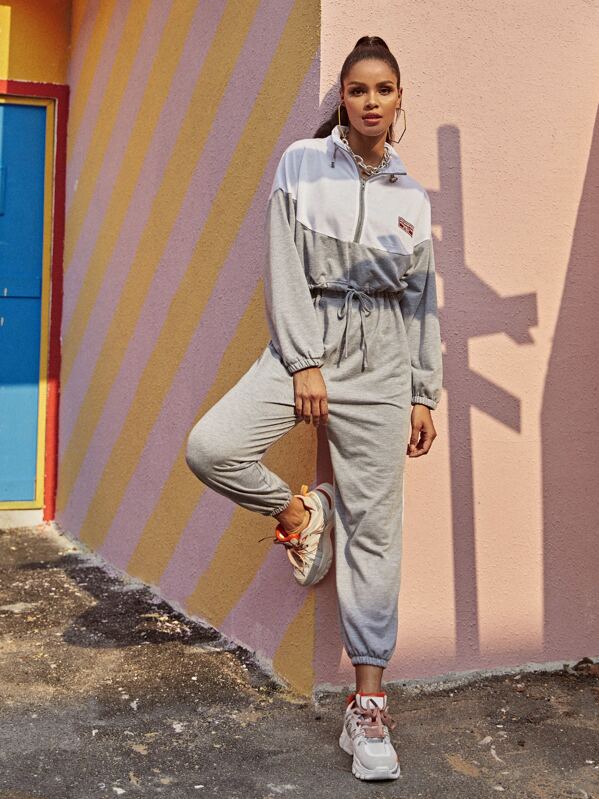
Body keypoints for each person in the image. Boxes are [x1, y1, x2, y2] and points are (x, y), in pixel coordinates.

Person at [185, 34, 443, 782]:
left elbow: (423, 302)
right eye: (358, 89)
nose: (370, 101)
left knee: (375, 532)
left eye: (383, 90)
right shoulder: (301, 163)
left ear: (399, 99)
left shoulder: (410, 195)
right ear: (343, 97)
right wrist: (303, 360)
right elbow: (282, 262)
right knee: (213, 446)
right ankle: (302, 513)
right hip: (314, 337)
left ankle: (367, 707)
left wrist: (421, 391)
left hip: (384, 357)